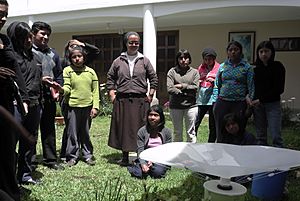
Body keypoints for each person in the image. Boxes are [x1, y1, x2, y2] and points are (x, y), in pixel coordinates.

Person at [106, 31, 158, 166]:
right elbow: (110, 78)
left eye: (136, 42)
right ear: (126, 43)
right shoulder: (118, 61)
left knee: (140, 128)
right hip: (122, 100)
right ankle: (124, 157)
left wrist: (150, 94)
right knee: (123, 128)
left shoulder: (144, 60)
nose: (134, 45)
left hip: (140, 100)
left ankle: (141, 156)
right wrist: (112, 94)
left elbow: (153, 78)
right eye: (131, 42)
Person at [7, 21, 44, 185]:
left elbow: (35, 79)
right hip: (16, 105)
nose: (28, 41)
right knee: (10, 141)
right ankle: (8, 176)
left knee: (30, 139)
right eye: (24, 37)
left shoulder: (35, 57)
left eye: (29, 36)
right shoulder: (9, 57)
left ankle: (25, 174)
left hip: (35, 104)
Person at [52, 46, 99, 166]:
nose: (77, 59)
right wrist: (61, 90)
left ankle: (87, 155)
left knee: (85, 132)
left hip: (87, 107)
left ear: (84, 57)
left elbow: (95, 91)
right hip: (72, 107)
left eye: (79, 56)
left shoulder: (91, 72)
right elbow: (67, 87)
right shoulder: (68, 70)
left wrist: (95, 107)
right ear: (70, 58)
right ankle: (72, 156)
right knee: (72, 133)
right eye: (74, 57)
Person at [0, 0, 28, 200]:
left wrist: (24, 96)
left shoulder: (5, 40)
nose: (2, 18)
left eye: (5, 15)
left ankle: (10, 191)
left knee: (7, 151)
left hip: (6, 101)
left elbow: (16, 68)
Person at [31, 21, 64, 170]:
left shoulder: (53, 53)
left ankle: (50, 159)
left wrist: (57, 89)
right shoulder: (28, 52)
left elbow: (58, 75)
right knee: (31, 129)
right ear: (33, 34)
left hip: (49, 96)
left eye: (47, 35)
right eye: (42, 34)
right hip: (33, 96)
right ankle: (30, 161)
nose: (45, 37)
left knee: (49, 128)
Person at [212, 41, 255, 143]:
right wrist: (215, 101)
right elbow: (217, 84)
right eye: (230, 50)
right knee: (221, 129)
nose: (233, 52)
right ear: (227, 52)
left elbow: (251, 85)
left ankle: (238, 151)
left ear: (240, 51)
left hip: (239, 103)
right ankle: (221, 150)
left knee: (238, 129)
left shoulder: (247, 67)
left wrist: (250, 103)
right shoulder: (223, 66)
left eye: (236, 49)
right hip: (222, 102)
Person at [253, 41, 285, 147]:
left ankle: (279, 158)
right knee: (260, 136)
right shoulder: (255, 69)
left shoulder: (278, 67)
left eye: (266, 51)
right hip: (258, 106)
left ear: (272, 52)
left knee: (275, 135)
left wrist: (261, 99)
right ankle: (263, 159)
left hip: (273, 104)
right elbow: (253, 87)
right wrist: (249, 98)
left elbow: (279, 89)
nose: (264, 54)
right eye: (261, 51)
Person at [127, 105, 172, 179]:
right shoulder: (142, 131)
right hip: (145, 156)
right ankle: (139, 167)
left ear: (161, 117)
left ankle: (152, 169)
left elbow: (166, 151)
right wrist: (143, 164)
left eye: (156, 115)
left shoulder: (167, 132)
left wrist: (154, 161)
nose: (152, 117)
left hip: (160, 158)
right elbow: (140, 150)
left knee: (158, 173)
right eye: (150, 115)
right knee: (138, 174)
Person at [167, 49, 199, 143]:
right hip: (175, 106)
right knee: (177, 133)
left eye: (186, 58)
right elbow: (170, 89)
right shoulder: (172, 72)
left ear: (189, 59)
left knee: (191, 133)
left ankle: (192, 155)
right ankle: (178, 156)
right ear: (177, 60)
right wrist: (186, 92)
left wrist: (181, 86)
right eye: (181, 58)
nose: (183, 60)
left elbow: (196, 87)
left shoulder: (194, 72)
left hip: (191, 106)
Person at [195, 48, 220, 142]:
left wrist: (214, 82)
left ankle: (211, 143)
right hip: (202, 98)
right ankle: (192, 141)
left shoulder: (219, 67)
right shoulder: (201, 67)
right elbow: (197, 79)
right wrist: (199, 81)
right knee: (196, 121)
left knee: (212, 124)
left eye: (210, 59)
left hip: (213, 98)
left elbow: (221, 82)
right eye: (205, 59)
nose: (207, 61)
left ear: (214, 59)